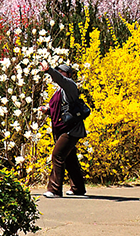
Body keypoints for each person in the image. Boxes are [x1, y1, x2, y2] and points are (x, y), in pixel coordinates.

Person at [39, 61, 88, 198]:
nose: (60, 74)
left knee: (58, 155)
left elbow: (61, 80)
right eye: (59, 71)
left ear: (69, 75)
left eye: (63, 72)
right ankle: (78, 188)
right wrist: (48, 110)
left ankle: (55, 189)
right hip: (64, 127)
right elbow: (61, 110)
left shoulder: (70, 86)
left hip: (71, 129)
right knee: (70, 158)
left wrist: (50, 70)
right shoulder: (59, 91)